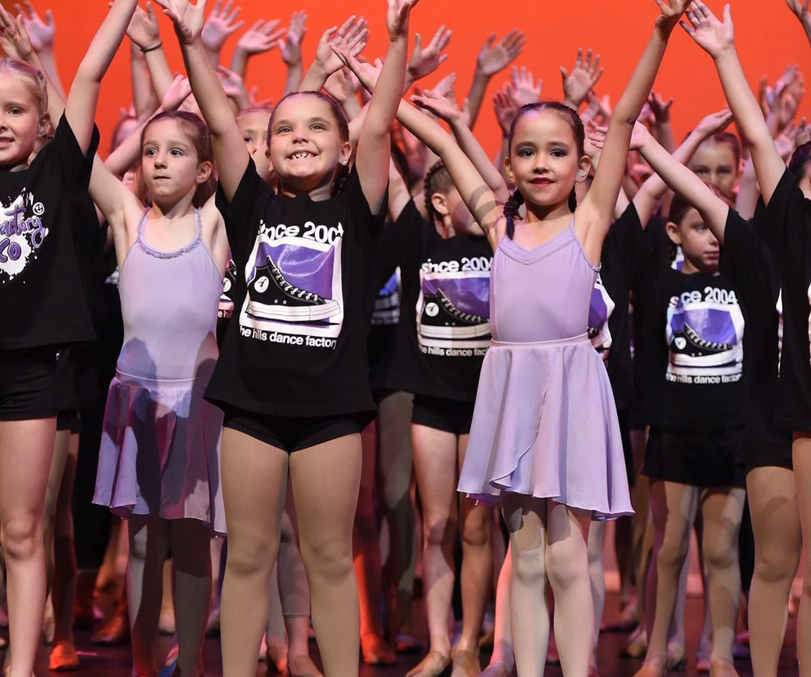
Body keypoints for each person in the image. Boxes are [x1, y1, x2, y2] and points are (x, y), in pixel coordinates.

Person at [336, 4, 687, 675]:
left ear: (581, 161)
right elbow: (439, 142)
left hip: (570, 388)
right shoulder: (499, 226)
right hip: (511, 388)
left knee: (566, 557)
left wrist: (659, 30)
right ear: (508, 161)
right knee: (524, 556)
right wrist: (374, 76)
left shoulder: (587, 223)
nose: (541, 163)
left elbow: (620, 120)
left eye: (557, 151)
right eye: (526, 151)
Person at [157, 0, 417, 674]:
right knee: (247, 556)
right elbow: (219, 120)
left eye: (317, 126)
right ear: (266, 151)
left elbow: (381, 120)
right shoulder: (252, 205)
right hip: (251, 408)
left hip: (331, 412)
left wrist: (395, 40)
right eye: (284, 129)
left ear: (345, 149)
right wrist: (191, 42)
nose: (300, 136)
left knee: (328, 556)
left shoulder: (358, 212)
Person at [0, 0, 135, 672]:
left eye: (14, 110)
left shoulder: (54, 175)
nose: (1, 121)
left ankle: (20, 666)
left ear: (43, 124)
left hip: (32, 371)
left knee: (23, 529)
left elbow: (87, 75)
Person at [682, 1, 811, 673]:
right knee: (776, 563)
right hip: (776, 415)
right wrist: (724, 54)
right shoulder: (791, 229)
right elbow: (759, 140)